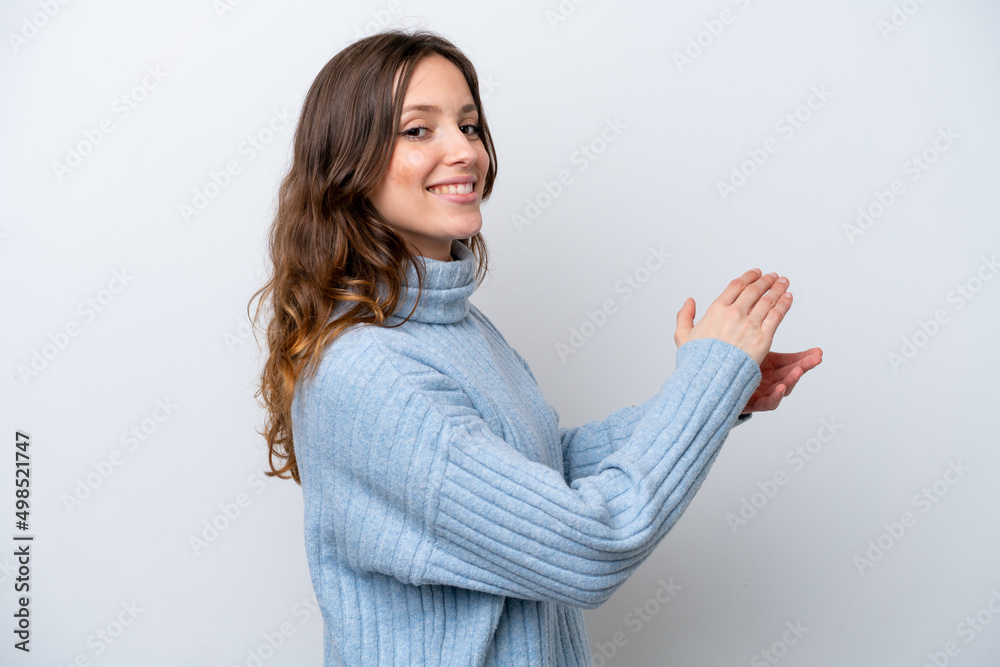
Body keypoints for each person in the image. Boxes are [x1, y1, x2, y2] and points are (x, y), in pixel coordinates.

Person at [250, 28, 822, 667]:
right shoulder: (368, 373)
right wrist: (705, 385)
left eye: (469, 125)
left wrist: (718, 396)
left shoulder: (455, 325)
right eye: (418, 130)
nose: (464, 151)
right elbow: (590, 545)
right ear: (347, 166)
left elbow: (538, 470)